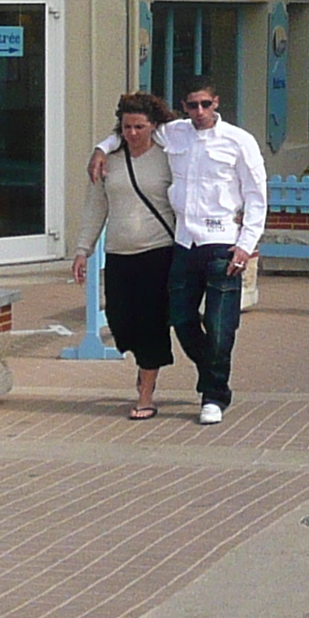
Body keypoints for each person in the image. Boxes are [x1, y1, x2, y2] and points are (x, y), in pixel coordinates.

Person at [155, 80, 265, 425]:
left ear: (216, 102)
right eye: (192, 105)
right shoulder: (173, 133)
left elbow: (256, 194)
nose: (199, 112)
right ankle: (213, 374)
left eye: (205, 104)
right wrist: (102, 148)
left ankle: (213, 396)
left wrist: (245, 245)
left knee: (220, 327)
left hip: (222, 242)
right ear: (183, 107)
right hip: (185, 240)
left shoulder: (238, 140)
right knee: (182, 320)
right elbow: (132, 131)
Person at [71, 92, 179, 419]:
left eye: (139, 127)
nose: (133, 133)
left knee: (151, 325)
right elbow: (96, 207)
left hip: (158, 251)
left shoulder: (168, 157)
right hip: (118, 252)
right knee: (120, 319)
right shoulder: (108, 159)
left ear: (153, 126)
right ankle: (144, 366)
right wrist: (82, 250)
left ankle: (146, 393)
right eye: (127, 126)